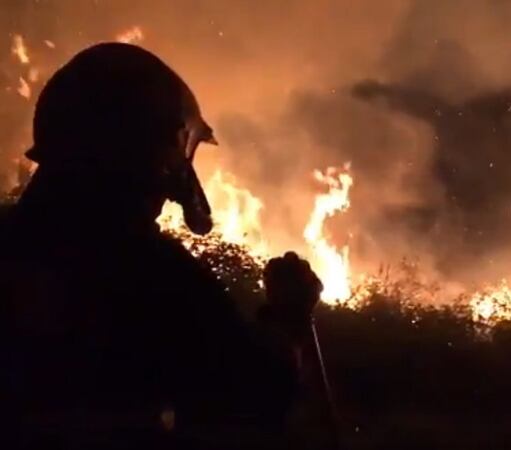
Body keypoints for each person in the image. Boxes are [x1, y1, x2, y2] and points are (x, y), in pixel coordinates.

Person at [0, 43, 321, 449]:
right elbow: (259, 389)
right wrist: (288, 315)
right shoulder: (150, 272)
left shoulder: (13, 241)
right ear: (157, 151)